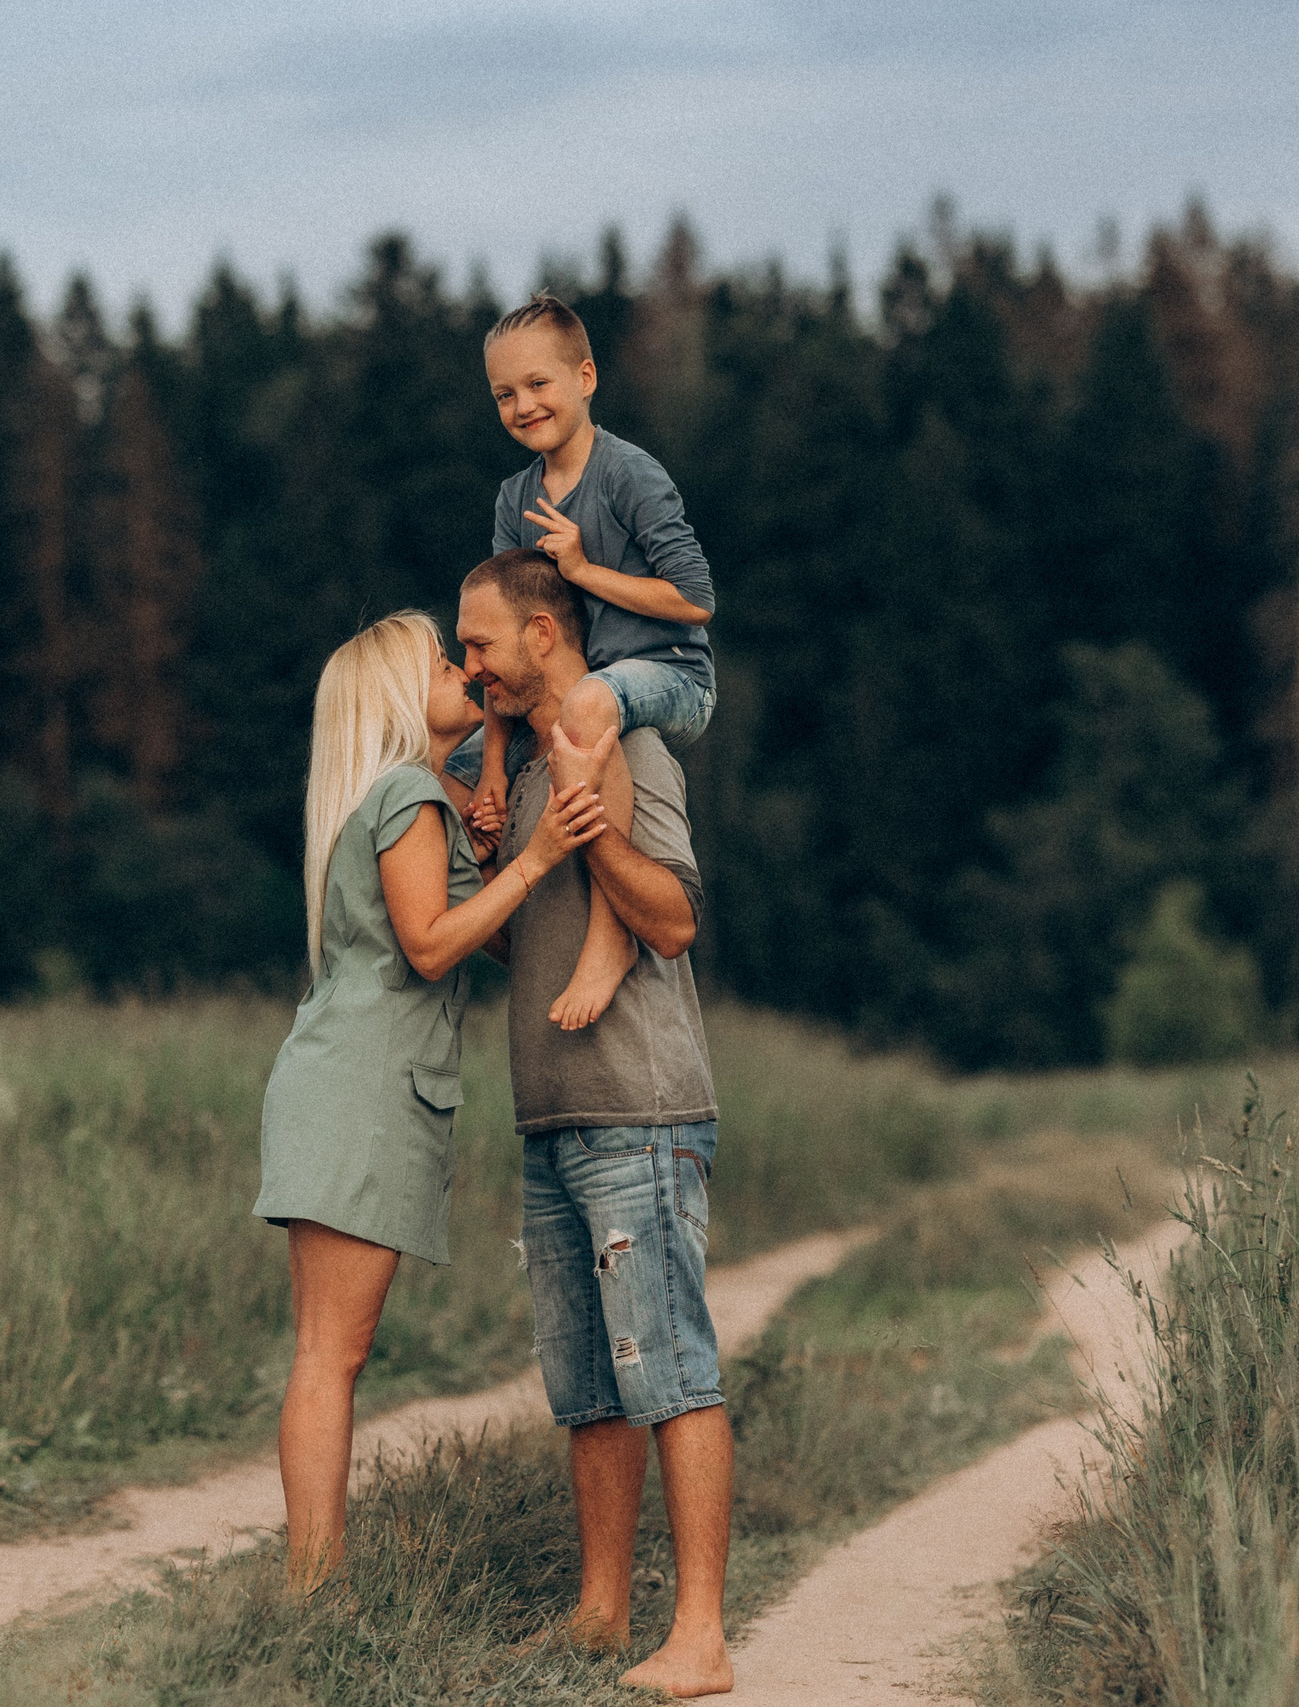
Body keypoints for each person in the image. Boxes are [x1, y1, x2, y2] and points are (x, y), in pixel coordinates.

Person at [254, 609, 607, 1595]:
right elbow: (432, 945)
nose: (463, 670)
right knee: (331, 1355)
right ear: (397, 694)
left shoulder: (410, 795)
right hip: (359, 1091)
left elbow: (483, 938)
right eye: (442, 661)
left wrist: (490, 848)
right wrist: (534, 863)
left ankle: (310, 1583)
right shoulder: (407, 789)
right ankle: (311, 1588)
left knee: (331, 1353)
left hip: (351, 1086)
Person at [456, 548, 734, 1699]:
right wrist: (507, 862)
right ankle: (600, 1615)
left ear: (542, 634)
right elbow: (543, 939)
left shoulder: (631, 744)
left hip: (640, 1104)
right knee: (586, 1384)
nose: (469, 666)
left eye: (480, 642)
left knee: (667, 1367)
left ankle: (702, 1637)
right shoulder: (512, 767)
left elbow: (670, 917)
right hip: (551, 1115)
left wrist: (592, 831)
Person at [450, 292, 718, 1036]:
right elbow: (510, 638)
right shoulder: (517, 498)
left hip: (668, 677)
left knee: (590, 702)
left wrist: (583, 568)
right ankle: (482, 921)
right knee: (447, 759)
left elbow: (696, 600)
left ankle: (609, 938)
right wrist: (496, 766)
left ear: (586, 377)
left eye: (538, 384)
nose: (523, 405)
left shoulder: (631, 475)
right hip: (574, 694)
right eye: (505, 394)